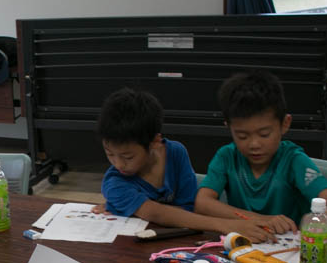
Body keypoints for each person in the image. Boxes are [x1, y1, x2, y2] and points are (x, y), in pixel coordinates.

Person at [91, 87, 281, 242]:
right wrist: (227, 224)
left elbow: (190, 206)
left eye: (128, 156)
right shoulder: (114, 182)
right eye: (109, 154)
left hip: (182, 240)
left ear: (155, 142)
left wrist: (147, 212)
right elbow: (155, 213)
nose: (118, 164)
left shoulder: (175, 152)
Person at [195, 71, 327, 233]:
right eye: (242, 136)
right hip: (245, 245)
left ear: (285, 123)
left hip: (288, 247)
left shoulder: (293, 160)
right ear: (229, 127)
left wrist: (317, 219)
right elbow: (202, 202)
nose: (254, 144)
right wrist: (261, 220)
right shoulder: (226, 156)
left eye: (264, 134)